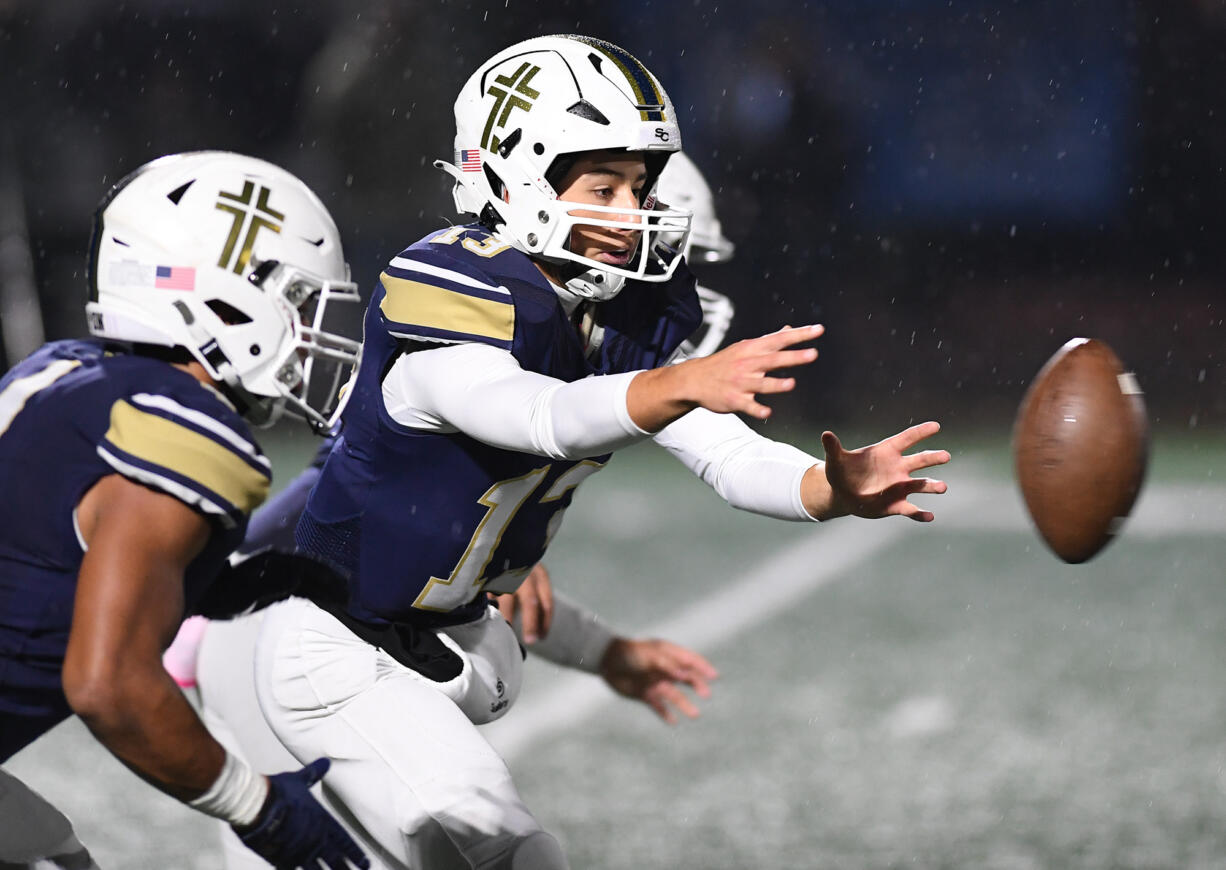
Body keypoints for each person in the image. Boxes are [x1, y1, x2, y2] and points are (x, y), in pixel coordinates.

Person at [247, 34, 949, 870]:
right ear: (512, 180)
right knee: (510, 851)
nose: (632, 213)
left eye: (639, 186)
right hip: (338, 650)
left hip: (446, 642)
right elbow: (536, 416)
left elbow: (723, 454)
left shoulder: (601, 321)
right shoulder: (454, 301)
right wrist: (672, 386)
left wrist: (824, 488)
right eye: (603, 186)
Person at [0, 151, 370, 870]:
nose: (314, 329)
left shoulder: (63, 373)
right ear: (228, 301)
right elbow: (110, 685)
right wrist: (257, 808)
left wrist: (214, 583)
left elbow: (43, 563)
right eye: (298, 301)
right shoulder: (180, 430)